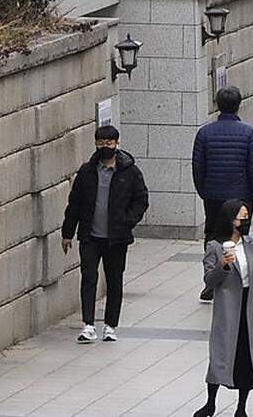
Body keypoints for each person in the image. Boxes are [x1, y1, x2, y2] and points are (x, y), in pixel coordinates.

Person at [195, 201, 253, 417]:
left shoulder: (252, 244)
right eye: (241, 217)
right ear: (230, 219)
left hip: (250, 306)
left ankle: (241, 407)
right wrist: (223, 265)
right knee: (221, 355)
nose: (245, 221)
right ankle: (211, 402)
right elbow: (209, 279)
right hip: (228, 308)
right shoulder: (215, 246)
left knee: (246, 357)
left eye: (247, 217)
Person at [60, 125, 148, 344]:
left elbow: (141, 200)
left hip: (117, 237)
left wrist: (127, 222)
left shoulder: (130, 171)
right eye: (100, 143)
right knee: (88, 279)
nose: (105, 147)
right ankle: (88, 324)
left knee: (114, 280)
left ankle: (110, 325)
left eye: (109, 143)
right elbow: (75, 203)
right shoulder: (87, 171)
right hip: (90, 236)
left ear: (117, 143)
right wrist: (68, 232)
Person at [193, 86, 253, 303]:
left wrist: (204, 191)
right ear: (239, 104)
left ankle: (211, 282)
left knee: (212, 236)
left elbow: (198, 166)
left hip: (213, 194)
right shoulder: (250, 133)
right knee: (240, 237)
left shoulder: (204, 132)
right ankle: (239, 278)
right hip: (241, 195)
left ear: (217, 104)